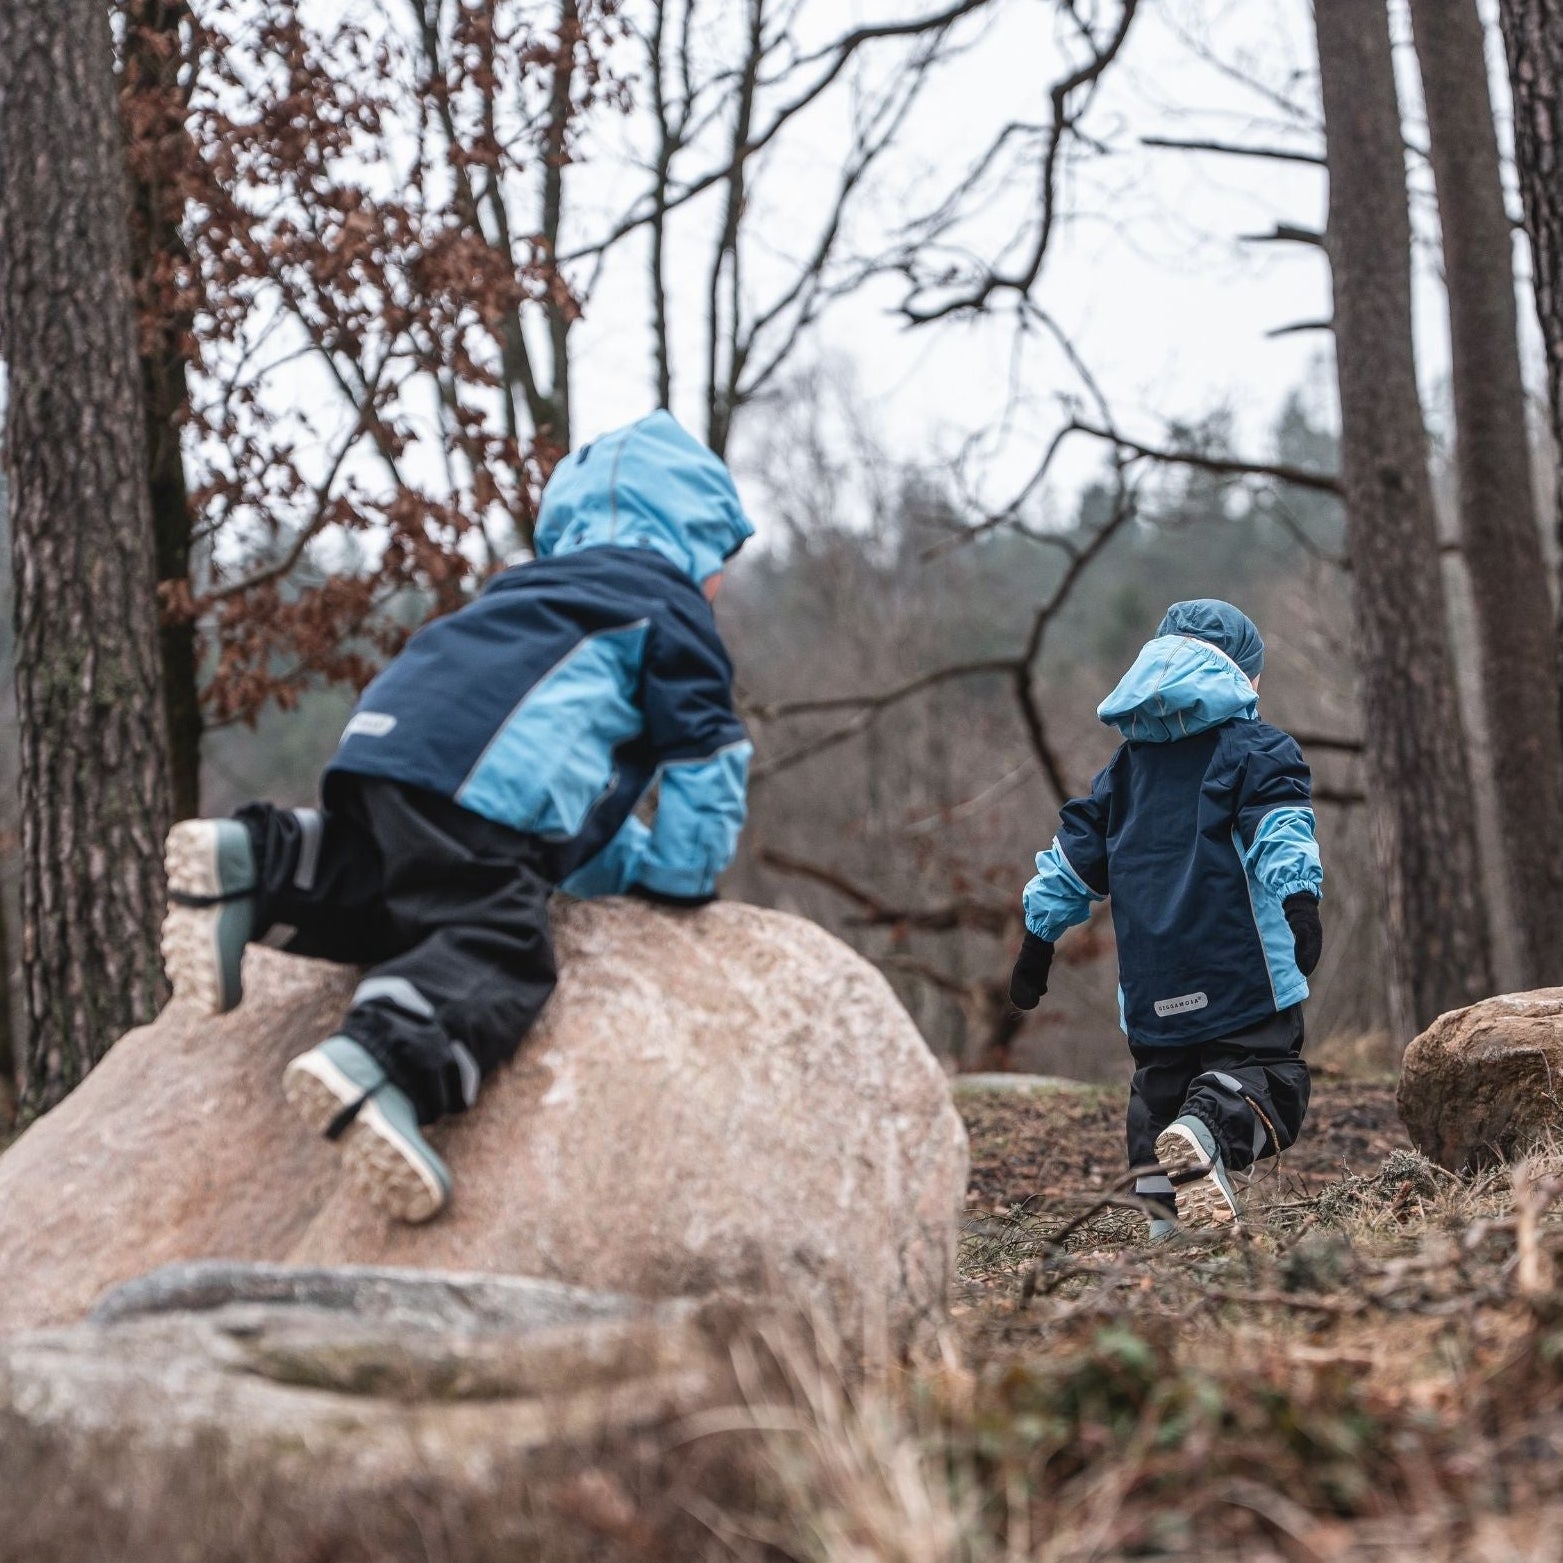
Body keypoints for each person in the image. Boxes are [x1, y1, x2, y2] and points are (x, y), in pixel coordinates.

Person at [160, 410, 754, 1224]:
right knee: (498, 944)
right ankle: (379, 1063)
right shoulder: (670, 609)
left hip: (391, 743)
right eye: (721, 559)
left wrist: (625, 867)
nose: (717, 583)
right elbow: (705, 765)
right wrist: (680, 882)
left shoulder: (529, 588)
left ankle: (254, 865)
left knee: (389, 895)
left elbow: (579, 810)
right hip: (486, 783)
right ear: (698, 543)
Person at [1007, 599, 1323, 1236]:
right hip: (1242, 979)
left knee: (1156, 1107)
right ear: (1243, 677)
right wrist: (1301, 902)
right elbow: (1280, 831)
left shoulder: (1121, 774)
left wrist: (1037, 942)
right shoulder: (1255, 750)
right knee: (1269, 1084)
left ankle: (1164, 1229)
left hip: (1152, 993)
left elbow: (1069, 864)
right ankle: (1210, 1129)